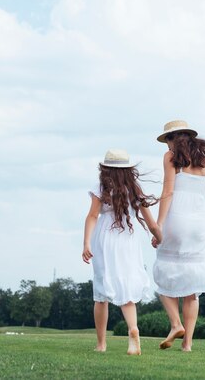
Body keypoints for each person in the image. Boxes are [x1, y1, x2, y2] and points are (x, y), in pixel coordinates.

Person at [151, 120, 205, 352]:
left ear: (174, 139)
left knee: (163, 271)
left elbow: (168, 191)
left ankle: (175, 324)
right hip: (199, 225)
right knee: (192, 287)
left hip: (176, 220)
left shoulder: (171, 159)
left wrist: (158, 225)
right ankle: (188, 344)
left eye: (168, 141)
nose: (167, 146)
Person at [82, 149, 162, 355]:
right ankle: (133, 328)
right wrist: (160, 239)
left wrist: (86, 243)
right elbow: (152, 224)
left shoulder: (102, 187)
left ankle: (101, 344)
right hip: (128, 239)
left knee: (101, 293)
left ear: (105, 168)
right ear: (127, 170)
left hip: (105, 239)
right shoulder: (134, 189)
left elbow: (92, 216)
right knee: (125, 286)